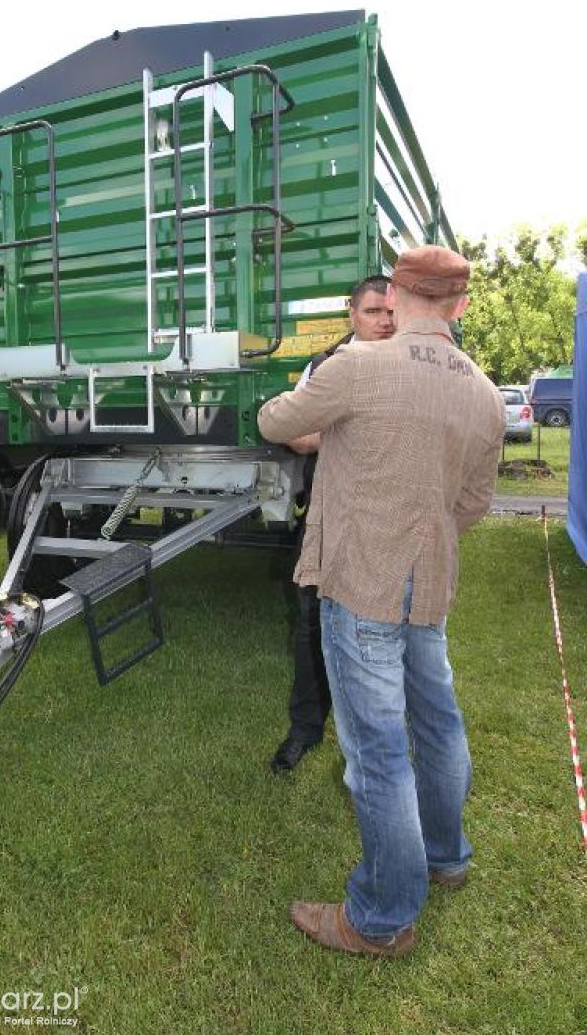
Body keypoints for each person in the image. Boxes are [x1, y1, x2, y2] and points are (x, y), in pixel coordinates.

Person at [257, 245, 505, 957]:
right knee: (438, 722)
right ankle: (447, 855)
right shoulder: (486, 394)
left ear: (393, 297)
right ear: (459, 306)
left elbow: (278, 422)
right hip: (428, 582)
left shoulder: (358, 366)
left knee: (378, 753)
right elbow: (475, 502)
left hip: (360, 579)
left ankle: (382, 916)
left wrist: (323, 421)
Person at [271, 277, 395, 773]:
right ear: (352, 314)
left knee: (384, 632)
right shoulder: (325, 366)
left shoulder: (409, 363)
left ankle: (377, 741)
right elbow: (295, 433)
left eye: (390, 312)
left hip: (391, 521)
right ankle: (305, 728)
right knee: (312, 624)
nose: (384, 322)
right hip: (330, 518)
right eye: (372, 311)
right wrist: (348, 428)